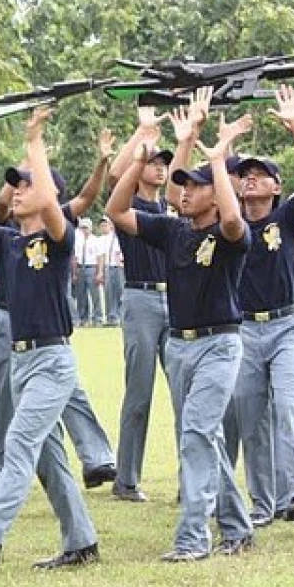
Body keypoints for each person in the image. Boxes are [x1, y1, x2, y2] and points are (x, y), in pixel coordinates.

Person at [0, 110, 99, 572]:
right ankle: (81, 542)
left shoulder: (58, 238)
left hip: (52, 360)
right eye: (16, 184)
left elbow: (54, 206)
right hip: (21, 362)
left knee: (18, 445)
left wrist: (35, 140)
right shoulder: (9, 242)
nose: (16, 190)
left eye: (26, 185)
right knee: (47, 459)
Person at [107, 95, 255, 562]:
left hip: (219, 346)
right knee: (203, 436)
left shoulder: (230, 235)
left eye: (196, 187)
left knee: (194, 434)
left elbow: (232, 218)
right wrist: (146, 155)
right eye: (183, 187)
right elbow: (116, 210)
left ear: (215, 193)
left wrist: (217, 158)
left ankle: (193, 539)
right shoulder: (173, 231)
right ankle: (237, 525)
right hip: (180, 347)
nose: (185, 192)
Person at [223, 87, 294, 528]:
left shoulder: (285, 218)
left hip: (285, 327)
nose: (250, 179)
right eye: (244, 174)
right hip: (244, 330)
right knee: (252, 420)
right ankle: (264, 505)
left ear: (276, 186)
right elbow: (203, 182)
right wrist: (224, 142)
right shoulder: (228, 225)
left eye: (260, 174)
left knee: (288, 405)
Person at [106, 111, 175, 502]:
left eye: (163, 163)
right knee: (140, 393)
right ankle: (126, 479)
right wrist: (142, 135)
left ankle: (193, 478)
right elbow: (116, 175)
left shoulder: (170, 206)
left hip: (175, 298)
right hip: (141, 298)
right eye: (154, 162)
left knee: (185, 391)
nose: (160, 167)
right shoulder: (128, 205)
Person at [72, 217, 101, 326]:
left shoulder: (95, 240)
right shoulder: (77, 241)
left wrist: (99, 272)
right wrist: (74, 273)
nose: (84, 230)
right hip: (80, 268)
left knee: (95, 294)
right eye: (82, 228)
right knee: (81, 295)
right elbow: (74, 257)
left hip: (91, 267)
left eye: (86, 228)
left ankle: (97, 318)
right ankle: (83, 318)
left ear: (90, 228)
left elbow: (100, 257)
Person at [95, 216, 123, 326]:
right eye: (102, 225)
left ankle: (121, 316)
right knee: (109, 293)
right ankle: (112, 317)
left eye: (107, 224)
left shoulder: (118, 237)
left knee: (121, 292)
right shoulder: (102, 239)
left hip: (119, 268)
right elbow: (101, 256)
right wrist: (100, 272)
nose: (104, 227)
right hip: (109, 267)